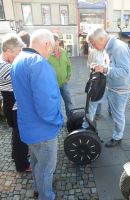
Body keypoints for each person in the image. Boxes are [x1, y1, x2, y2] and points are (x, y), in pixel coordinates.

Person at [11, 29, 64, 199]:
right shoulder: (38, 63)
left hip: (28, 126)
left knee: (35, 163)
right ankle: (46, 196)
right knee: (46, 168)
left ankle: (37, 188)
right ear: (47, 44)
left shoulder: (18, 59)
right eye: (53, 47)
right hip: (44, 129)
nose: (53, 51)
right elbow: (46, 103)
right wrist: (58, 121)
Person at [86, 27, 130, 147]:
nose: (93, 46)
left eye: (93, 43)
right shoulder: (108, 47)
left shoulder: (119, 48)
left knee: (117, 113)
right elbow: (111, 65)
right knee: (93, 100)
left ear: (102, 39)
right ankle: (87, 127)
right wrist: (99, 66)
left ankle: (118, 136)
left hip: (120, 89)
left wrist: (104, 69)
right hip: (110, 84)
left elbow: (124, 71)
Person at [0, 33, 30, 171]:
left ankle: (16, 156)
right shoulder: (6, 67)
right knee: (20, 135)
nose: (19, 57)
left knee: (16, 133)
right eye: (17, 53)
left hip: (9, 104)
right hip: (14, 106)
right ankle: (22, 164)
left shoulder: (4, 64)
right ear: (8, 51)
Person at [82, 48, 109, 129]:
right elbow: (89, 63)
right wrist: (93, 67)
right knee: (93, 101)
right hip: (97, 80)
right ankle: (87, 125)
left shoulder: (108, 51)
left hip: (107, 80)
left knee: (98, 99)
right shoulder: (93, 52)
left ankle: (95, 116)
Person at [48, 33, 73, 119]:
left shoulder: (63, 51)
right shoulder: (47, 55)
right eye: (53, 43)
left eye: (57, 42)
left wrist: (68, 77)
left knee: (68, 102)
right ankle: (58, 121)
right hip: (52, 85)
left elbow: (69, 65)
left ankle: (71, 119)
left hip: (64, 83)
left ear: (58, 42)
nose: (55, 45)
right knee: (56, 103)